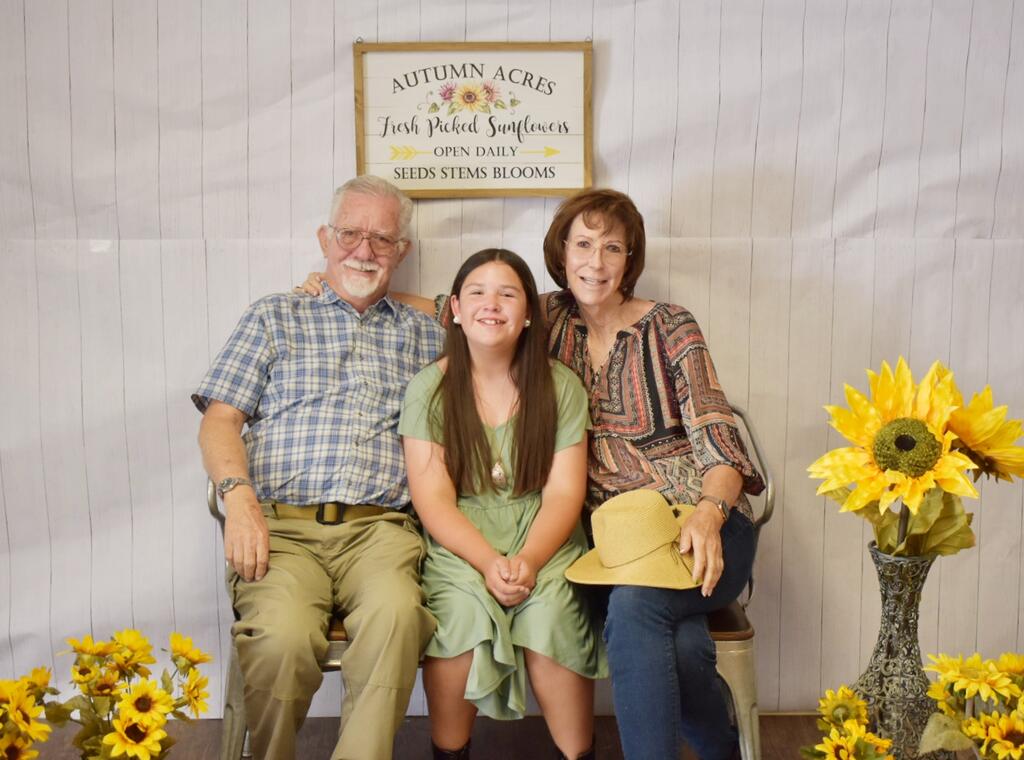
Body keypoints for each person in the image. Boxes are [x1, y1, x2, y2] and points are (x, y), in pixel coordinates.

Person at [297, 188, 765, 760]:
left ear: (631, 259)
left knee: (635, 610)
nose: (595, 262)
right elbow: (470, 307)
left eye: (612, 248)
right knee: (684, 644)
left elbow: (719, 439)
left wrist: (710, 513)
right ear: (561, 255)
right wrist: (345, 283)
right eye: (583, 245)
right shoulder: (550, 316)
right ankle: (722, 750)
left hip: (700, 521)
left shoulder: (669, 325)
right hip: (618, 542)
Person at [194, 175, 444, 760]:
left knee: (399, 618)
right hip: (279, 527)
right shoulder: (274, 315)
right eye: (349, 234)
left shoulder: (425, 335)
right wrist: (238, 499)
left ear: (402, 251)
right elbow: (220, 420)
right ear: (324, 238)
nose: (363, 250)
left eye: (382, 240)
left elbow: (496, 311)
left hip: (380, 531)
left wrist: (403, 298)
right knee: (280, 639)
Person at [399, 249, 605, 760]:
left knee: (551, 616)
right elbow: (433, 500)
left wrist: (528, 561)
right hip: (460, 540)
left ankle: (577, 754)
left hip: (545, 535)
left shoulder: (560, 385)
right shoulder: (429, 389)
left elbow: (564, 493)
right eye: (477, 293)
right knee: (462, 619)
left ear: (529, 312)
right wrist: (489, 562)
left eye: (507, 294)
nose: (491, 304)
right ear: (455, 308)